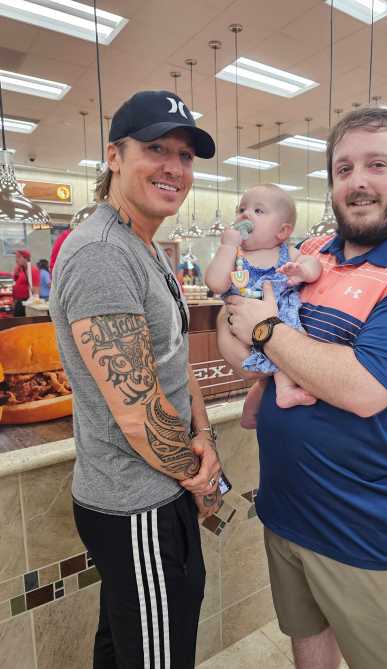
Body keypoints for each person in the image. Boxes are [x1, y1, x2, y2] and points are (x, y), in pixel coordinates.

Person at [219, 107, 387, 669]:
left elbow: (361, 388)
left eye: (377, 165)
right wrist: (250, 322)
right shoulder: (315, 258)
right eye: (343, 168)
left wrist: (263, 326)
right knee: (308, 647)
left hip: (362, 534)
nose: (356, 181)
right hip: (285, 510)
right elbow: (236, 341)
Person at [50, 90, 221, 669]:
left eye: (186, 154)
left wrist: (206, 438)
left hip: (158, 488)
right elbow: (137, 411)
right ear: (114, 156)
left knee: (127, 645)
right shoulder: (101, 255)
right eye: (155, 148)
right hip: (135, 502)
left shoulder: (145, 247)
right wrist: (201, 478)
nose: (174, 166)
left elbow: (172, 362)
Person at [205, 184, 322, 428]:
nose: (245, 215)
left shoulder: (288, 252)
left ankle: (282, 393)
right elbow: (216, 283)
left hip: (280, 321)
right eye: (242, 208)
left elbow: (313, 265)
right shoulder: (235, 254)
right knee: (262, 369)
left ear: (282, 231)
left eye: (258, 211)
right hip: (241, 324)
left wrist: (303, 270)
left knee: (283, 361)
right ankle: (260, 402)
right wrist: (226, 247)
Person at [12, 249, 39, 316]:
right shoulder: (21, 270)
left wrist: (34, 301)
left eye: (18, 257)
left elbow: (36, 288)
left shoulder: (32, 270)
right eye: (16, 257)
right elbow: (16, 282)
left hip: (26, 301)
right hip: (19, 301)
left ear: (26, 258)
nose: (16, 260)